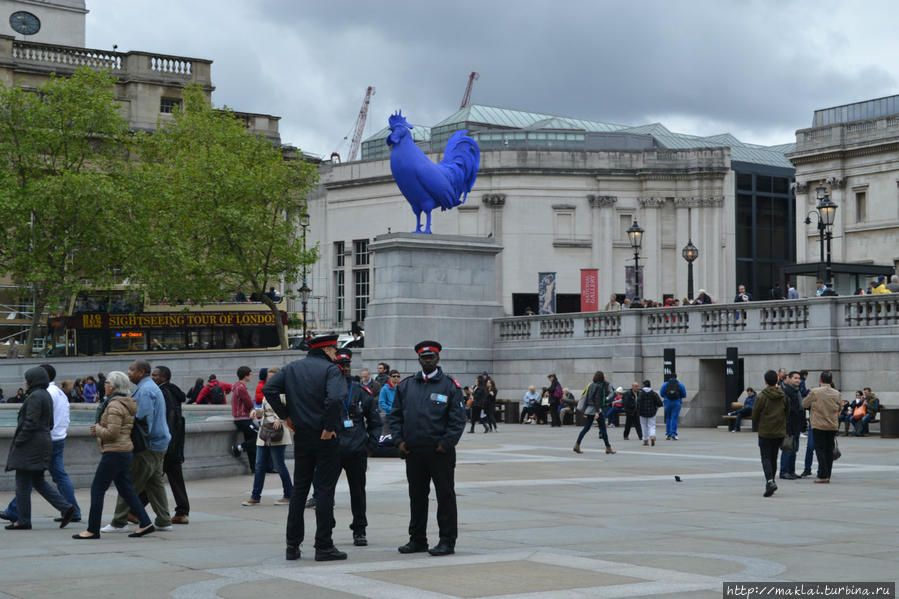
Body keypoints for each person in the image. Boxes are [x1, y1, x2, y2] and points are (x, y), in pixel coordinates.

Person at [263, 333, 347, 562]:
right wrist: (329, 426)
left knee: (299, 491)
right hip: (325, 436)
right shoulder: (331, 370)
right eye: (334, 349)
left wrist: (286, 416)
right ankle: (323, 545)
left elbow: (269, 390)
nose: (335, 353)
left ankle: (292, 546)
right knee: (324, 490)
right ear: (328, 350)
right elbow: (335, 399)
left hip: (302, 435)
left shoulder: (292, 369)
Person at [389, 340, 466, 556]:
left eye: (431, 357)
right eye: (424, 358)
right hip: (413, 451)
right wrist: (399, 441)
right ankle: (417, 539)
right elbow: (395, 416)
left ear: (438, 358)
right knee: (417, 497)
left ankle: (447, 541)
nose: (428, 361)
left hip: (439, 452)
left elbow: (458, 419)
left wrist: (446, 443)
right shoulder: (406, 385)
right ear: (419, 359)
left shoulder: (449, 386)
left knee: (445, 497)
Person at [71, 372, 155, 539]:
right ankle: (145, 523)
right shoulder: (125, 403)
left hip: (115, 452)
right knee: (126, 490)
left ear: (114, 386)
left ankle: (92, 530)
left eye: (107, 382)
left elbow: (113, 433)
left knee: (97, 489)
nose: (104, 385)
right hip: (124, 451)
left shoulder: (115, 405)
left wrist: (97, 430)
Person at [0, 363, 82, 524]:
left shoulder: (37, 396)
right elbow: (50, 421)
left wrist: (19, 440)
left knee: (23, 481)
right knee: (39, 480)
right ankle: (67, 508)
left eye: (27, 379)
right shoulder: (49, 393)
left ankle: (22, 520)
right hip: (49, 440)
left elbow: (31, 422)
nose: (25, 382)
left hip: (32, 444)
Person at [101, 360, 172, 533]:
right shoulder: (149, 387)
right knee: (155, 483)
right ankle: (164, 521)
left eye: (132, 370)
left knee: (130, 482)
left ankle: (119, 521)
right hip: (159, 442)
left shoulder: (146, 390)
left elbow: (142, 418)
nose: (129, 372)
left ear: (141, 372)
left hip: (149, 445)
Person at [332, 348, 381, 546]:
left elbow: (375, 422)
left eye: (347, 365)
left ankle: (359, 529)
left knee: (358, 492)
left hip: (356, 450)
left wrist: (370, 445)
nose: (344, 368)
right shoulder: (327, 391)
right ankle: (326, 528)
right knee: (325, 492)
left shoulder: (361, 392)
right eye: (340, 365)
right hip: (332, 450)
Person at [242, 380, 293, 507]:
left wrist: (280, 419)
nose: (269, 381)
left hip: (277, 432)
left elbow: (290, 410)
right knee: (259, 465)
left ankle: (289, 495)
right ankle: (255, 496)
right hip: (265, 432)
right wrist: (256, 411)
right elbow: (264, 410)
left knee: (279, 465)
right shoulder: (268, 393)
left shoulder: (284, 394)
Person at [149, 366, 190, 524]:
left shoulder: (164, 393)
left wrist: (165, 442)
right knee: (171, 477)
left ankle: (133, 510)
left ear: (163, 377)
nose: (152, 377)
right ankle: (182, 511)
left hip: (168, 444)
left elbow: (169, 419)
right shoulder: (172, 391)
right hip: (174, 444)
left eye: (155, 375)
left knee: (152, 476)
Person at [752, 370, 788, 497]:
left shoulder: (762, 396)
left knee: (765, 457)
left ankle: (770, 481)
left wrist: (758, 423)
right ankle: (771, 481)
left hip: (765, 431)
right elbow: (787, 412)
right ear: (777, 380)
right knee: (774, 457)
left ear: (765, 381)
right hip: (779, 432)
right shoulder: (783, 395)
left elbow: (755, 413)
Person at [802, 371, 841, 484]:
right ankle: (827, 474)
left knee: (820, 449)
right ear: (831, 380)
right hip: (832, 425)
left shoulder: (815, 392)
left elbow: (804, 404)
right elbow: (840, 408)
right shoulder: (836, 393)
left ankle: (823, 475)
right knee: (829, 449)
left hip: (818, 424)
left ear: (820, 380)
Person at [573, 371, 615, 455]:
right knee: (603, 429)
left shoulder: (590, 385)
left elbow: (588, 397)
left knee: (586, 428)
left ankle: (577, 445)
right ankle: (608, 448)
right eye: (603, 376)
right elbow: (597, 400)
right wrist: (597, 412)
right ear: (601, 377)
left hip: (589, 409)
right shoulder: (599, 387)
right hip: (596, 409)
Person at [230, 366, 258, 472]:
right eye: (250, 374)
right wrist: (253, 409)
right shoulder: (241, 387)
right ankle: (238, 448)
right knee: (258, 436)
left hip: (241, 418)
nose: (251, 376)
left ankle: (254, 468)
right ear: (245, 376)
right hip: (243, 419)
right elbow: (249, 402)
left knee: (250, 442)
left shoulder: (237, 386)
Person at [779, 371, 803, 480]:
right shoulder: (787, 391)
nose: (798, 380)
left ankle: (791, 471)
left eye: (799, 378)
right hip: (789, 425)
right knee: (788, 448)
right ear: (789, 379)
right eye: (795, 378)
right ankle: (784, 471)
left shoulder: (797, 391)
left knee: (794, 449)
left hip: (796, 425)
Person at [659, 374, 686, 440]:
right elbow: (684, 394)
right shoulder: (680, 384)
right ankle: (673, 434)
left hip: (667, 402)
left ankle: (668, 434)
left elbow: (661, 394)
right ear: (676, 377)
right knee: (674, 418)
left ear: (670, 377)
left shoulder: (665, 384)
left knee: (668, 418)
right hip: (676, 402)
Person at [636, 380, 663, 446]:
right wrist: (655, 407)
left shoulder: (640, 393)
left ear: (644, 385)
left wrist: (638, 410)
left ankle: (645, 441)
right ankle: (652, 436)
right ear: (650, 385)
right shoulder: (653, 393)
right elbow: (660, 403)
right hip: (652, 412)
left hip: (642, 412)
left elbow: (638, 403)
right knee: (652, 426)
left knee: (644, 426)